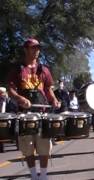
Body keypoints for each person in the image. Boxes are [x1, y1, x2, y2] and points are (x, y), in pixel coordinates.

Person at [7, 38, 60, 180]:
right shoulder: (18, 69)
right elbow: (11, 90)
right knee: (28, 147)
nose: (37, 51)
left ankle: (43, 175)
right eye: (33, 48)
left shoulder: (44, 69)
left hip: (42, 112)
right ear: (26, 49)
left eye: (38, 48)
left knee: (44, 146)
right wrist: (20, 99)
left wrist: (54, 99)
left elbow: (48, 89)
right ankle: (33, 175)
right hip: (25, 114)